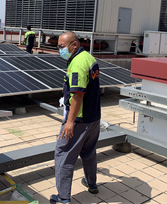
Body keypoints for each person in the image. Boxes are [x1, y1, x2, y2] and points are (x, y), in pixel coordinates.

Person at [50, 31, 101, 204]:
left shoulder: (78, 63)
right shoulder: (89, 58)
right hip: (94, 116)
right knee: (89, 152)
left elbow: (78, 95)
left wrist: (70, 122)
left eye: (62, 47)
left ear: (74, 45)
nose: (60, 50)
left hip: (79, 119)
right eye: (58, 47)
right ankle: (92, 183)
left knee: (63, 154)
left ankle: (63, 198)